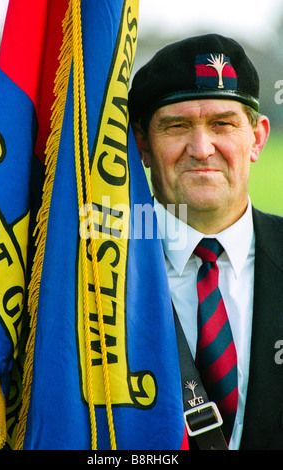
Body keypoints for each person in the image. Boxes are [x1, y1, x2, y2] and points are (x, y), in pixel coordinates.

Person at [128, 33, 283, 450]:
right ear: (143, 144)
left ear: (257, 137)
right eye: (176, 126)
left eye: (222, 124)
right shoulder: (95, 274)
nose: (201, 148)